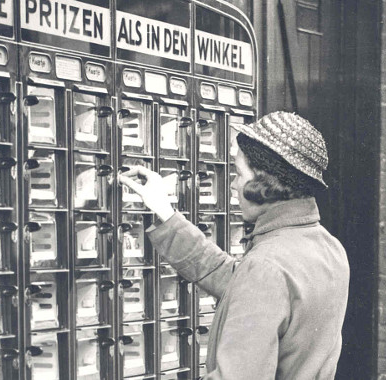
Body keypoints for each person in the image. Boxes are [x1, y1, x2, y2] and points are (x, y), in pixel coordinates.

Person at [118, 111, 350, 379]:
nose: (232, 183)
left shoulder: (266, 267)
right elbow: (236, 279)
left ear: (264, 181)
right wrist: (166, 214)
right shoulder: (329, 248)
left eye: (238, 173)